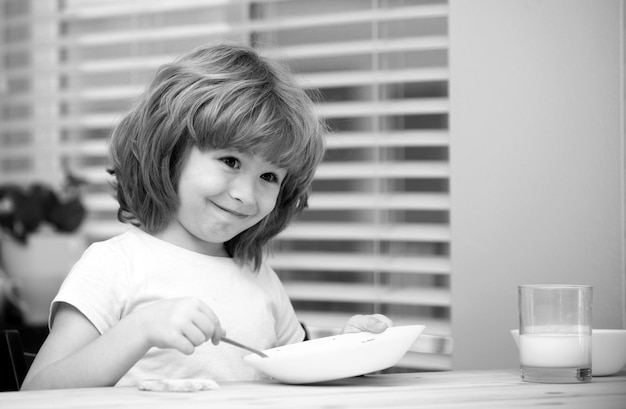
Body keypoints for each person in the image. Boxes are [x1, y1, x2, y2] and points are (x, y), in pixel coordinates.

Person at [21, 43, 392, 390]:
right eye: (230, 161)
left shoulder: (258, 278)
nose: (245, 194)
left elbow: (296, 373)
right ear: (170, 151)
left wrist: (349, 352)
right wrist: (138, 330)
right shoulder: (115, 266)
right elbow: (37, 391)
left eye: (269, 176)